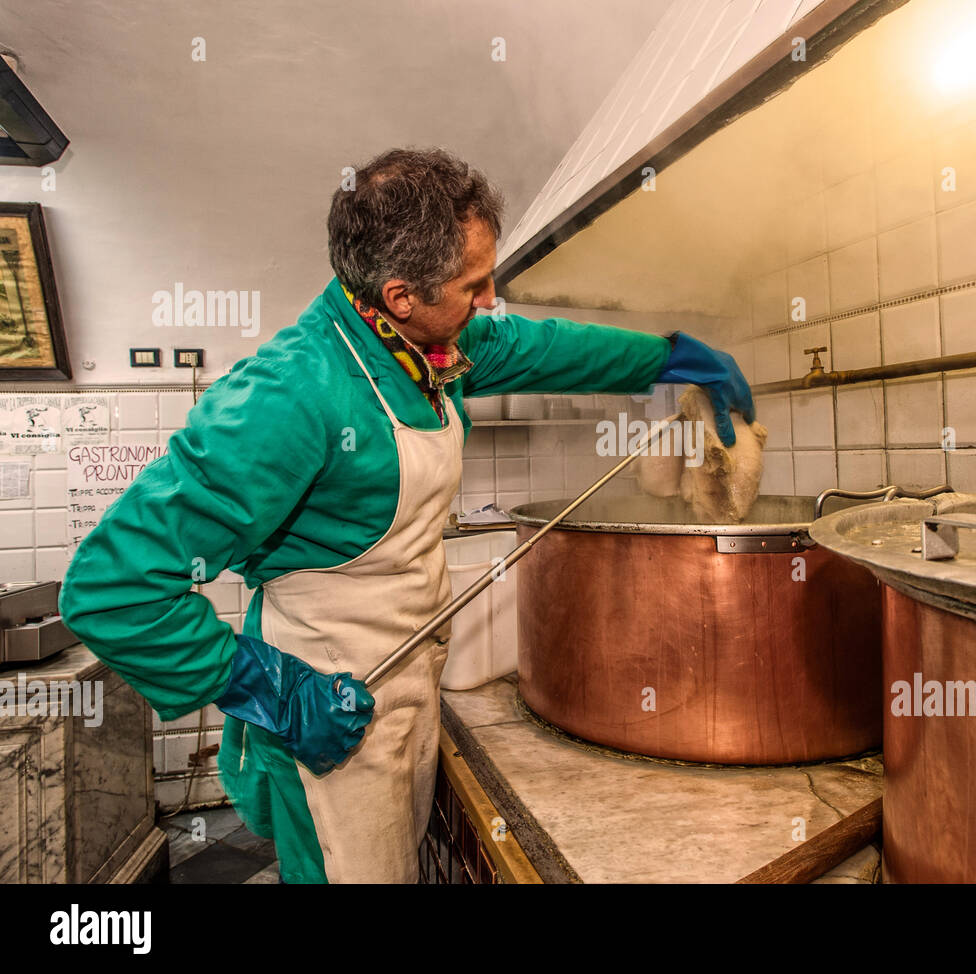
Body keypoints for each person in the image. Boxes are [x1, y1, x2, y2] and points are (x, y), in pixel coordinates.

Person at [58, 147, 754, 883]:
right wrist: (268, 689)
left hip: (407, 687)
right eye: (475, 285)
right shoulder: (288, 395)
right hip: (324, 711)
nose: (491, 300)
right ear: (400, 295)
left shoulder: (426, 340)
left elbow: (538, 346)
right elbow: (111, 588)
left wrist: (667, 358)